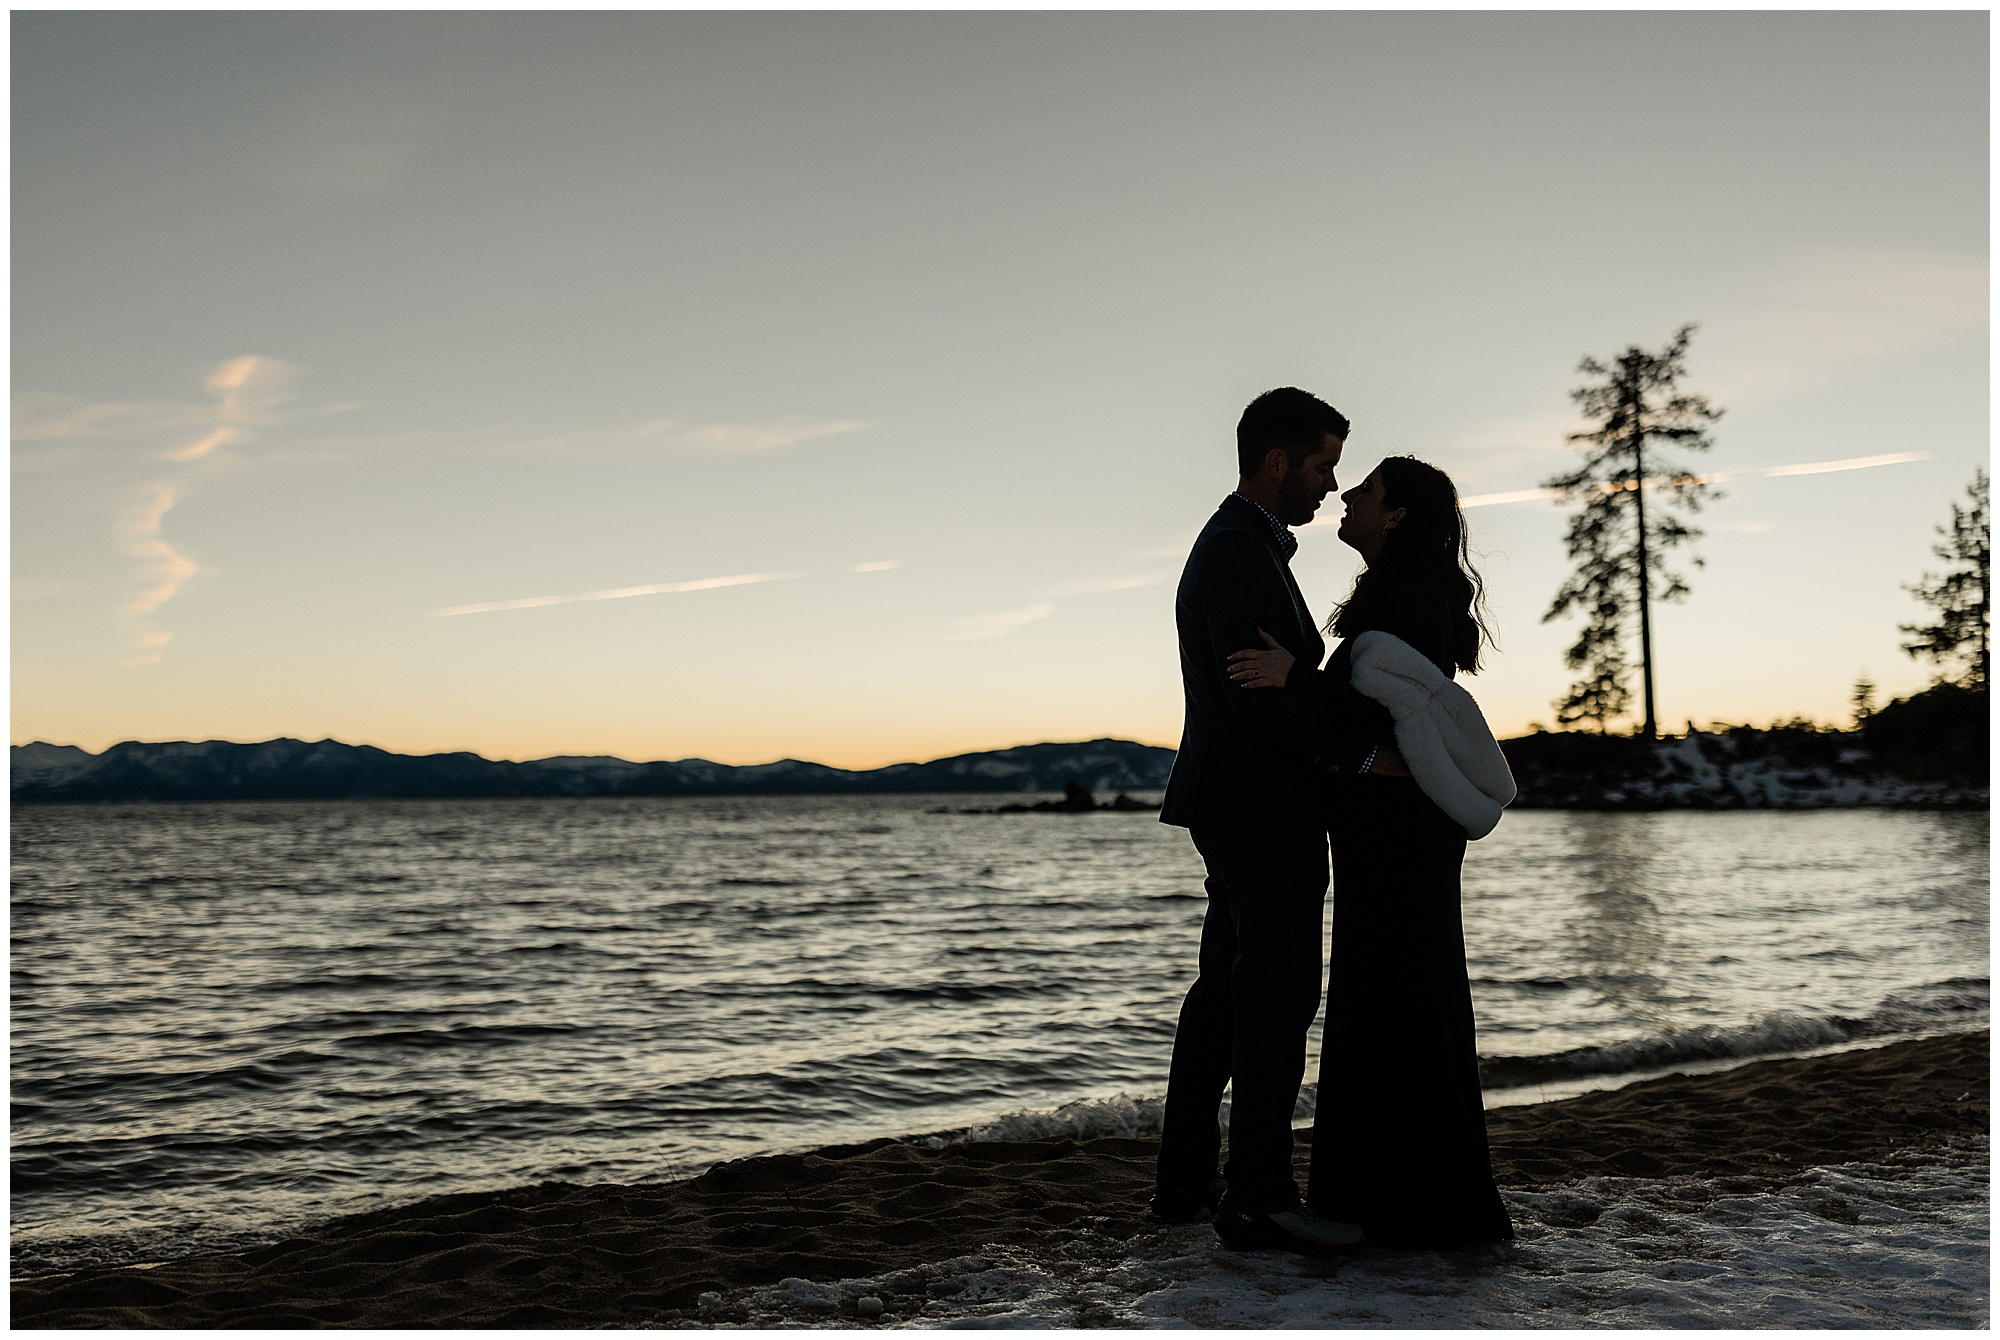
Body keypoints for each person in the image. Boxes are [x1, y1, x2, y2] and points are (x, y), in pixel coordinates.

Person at [1227, 455, 1514, 1250]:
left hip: (1397, 825)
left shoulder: (1405, 600)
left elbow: (1388, 713)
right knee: (1403, 995)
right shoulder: (1405, 595)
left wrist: (1294, 677)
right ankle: (1413, 1197)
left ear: (1396, 516)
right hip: (1395, 825)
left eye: (1367, 491)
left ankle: (1402, 1204)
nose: (1347, 496)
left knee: (1393, 996)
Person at [1153, 388, 1406, 1256]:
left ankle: (1185, 1179)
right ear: (1276, 462)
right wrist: (1362, 759)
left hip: (1239, 802)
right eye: (1323, 465)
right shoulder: (1236, 551)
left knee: (1225, 993)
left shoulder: (1248, 546)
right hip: (1259, 805)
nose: (1330, 485)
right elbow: (1253, 696)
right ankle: (1257, 1197)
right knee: (1277, 994)